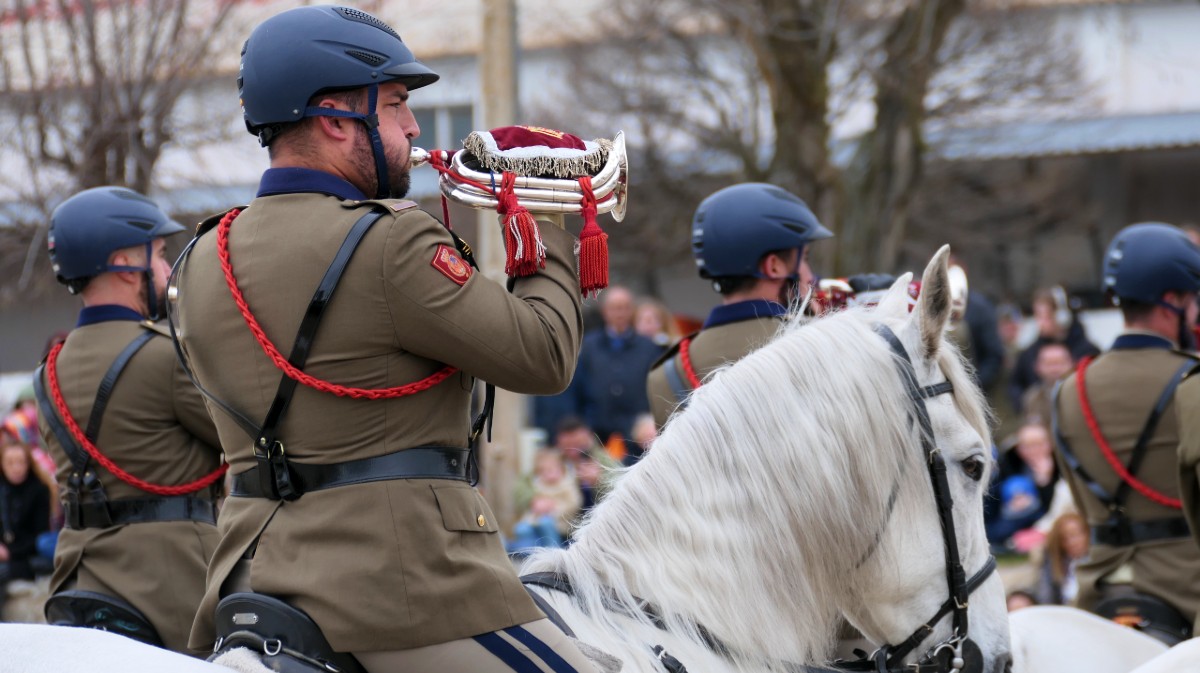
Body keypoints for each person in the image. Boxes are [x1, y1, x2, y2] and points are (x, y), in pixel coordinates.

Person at [172, 6, 594, 672]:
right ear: (336, 117)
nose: (414, 126)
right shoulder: (392, 241)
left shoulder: (200, 256)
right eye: (396, 105)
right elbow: (543, 353)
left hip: (247, 576)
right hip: (397, 585)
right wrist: (545, 213)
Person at [33, 186, 225, 653]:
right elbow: (245, 438)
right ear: (123, 262)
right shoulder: (165, 355)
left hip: (78, 577)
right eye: (158, 255)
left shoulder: (49, 372)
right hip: (172, 586)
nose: (164, 269)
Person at [1053, 222, 1200, 638]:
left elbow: (1082, 504)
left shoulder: (1067, 391)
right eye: (1192, 299)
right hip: (1188, 591)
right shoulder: (1193, 380)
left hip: (1098, 593)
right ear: (1171, 300)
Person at [646, 182, 833, 429]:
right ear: (774, 266)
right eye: (804, 259)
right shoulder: (822, 345)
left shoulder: (666, 376)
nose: (810, 276)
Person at [572, 285, 664, 445]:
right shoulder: (590, 345)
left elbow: (656, 387)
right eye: (615, 308)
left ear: (631, 310)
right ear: (604, 311)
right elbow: (578, 386)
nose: (620, 313)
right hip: (597, 432)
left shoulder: (648, 347)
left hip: (639, 435)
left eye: (624, 308)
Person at [1010, 286, 1099, 413]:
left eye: (1045, 316)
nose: (1040, 323)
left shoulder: (1087, 351)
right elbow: (1016, 385)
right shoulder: (1029, 354)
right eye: (1037, 316)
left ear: (1062, 316)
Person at [0, 431, 52, 613]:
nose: (16, 468)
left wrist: (9, 552)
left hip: (27, 557)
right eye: (10, 463)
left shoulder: (39, 490)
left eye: (21, 462)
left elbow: (40, 537)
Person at [507, 449, 581, 553]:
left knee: (545, 523)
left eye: (551, 470)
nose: (548, 475)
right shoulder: (538, 484)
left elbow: (573, 503)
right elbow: (532, 502)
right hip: (535, 519)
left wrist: (553, 509)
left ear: (561, 468)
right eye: (543, 472)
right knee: (522, 529)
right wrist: (536, 506)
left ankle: (553, 550)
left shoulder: (566, 485)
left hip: (559, 522)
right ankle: (525, 550)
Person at [1034, 512, 1089, 605]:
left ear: (1087, 534)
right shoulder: (1055, 564)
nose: (1072, 542)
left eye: (1075, 535)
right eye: (1064, 539)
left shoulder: (1098, 560)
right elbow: (1047, 598)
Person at [1021, 341, 1074, 430]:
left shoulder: (1080, 393)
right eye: (1049, 364)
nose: (1055, 369)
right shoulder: (1033, 397)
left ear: (1071, 364)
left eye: (1060, 363)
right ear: (1037, 367)